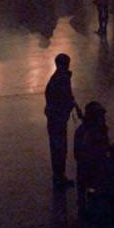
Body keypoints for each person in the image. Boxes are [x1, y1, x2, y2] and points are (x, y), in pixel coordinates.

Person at [44, 53, 81, 189]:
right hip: (57, 120)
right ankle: (59, 176)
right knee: (59, 148)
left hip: (56, 119)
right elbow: (65, 97)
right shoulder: (62, 79)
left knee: (58, 148)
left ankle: (59, 175)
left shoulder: (59, 78)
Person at [73, 101, 110, 216]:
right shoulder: (99, 130)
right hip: (92, 165)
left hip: (86, 165)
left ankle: (84, 206)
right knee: (93, 186)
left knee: (85, 186)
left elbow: (77, 152)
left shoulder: (82, 130)